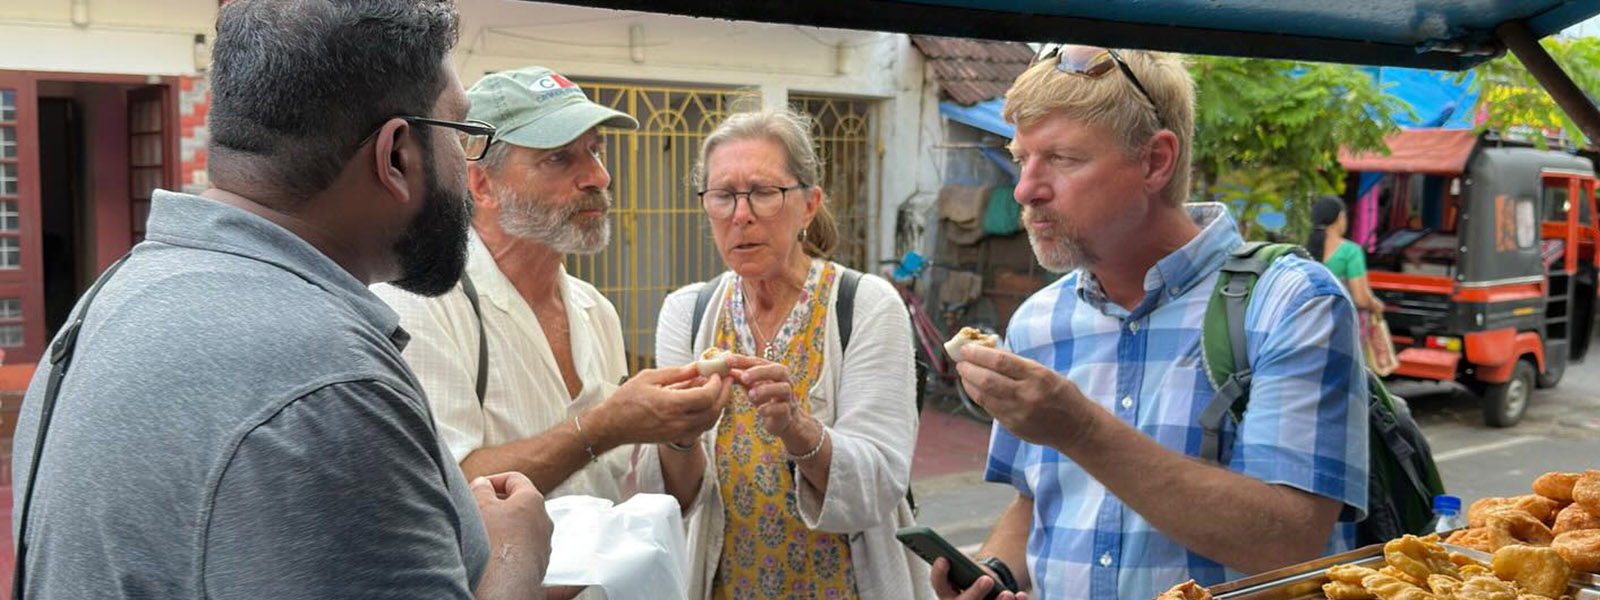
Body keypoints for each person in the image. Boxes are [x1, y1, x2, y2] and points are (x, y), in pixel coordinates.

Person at [10, 1, 552, 598]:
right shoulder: (328, 385)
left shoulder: (110, 300)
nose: (465, 166)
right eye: (463, 132)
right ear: (396, 155)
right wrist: (511, 552)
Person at [932, 46, 1370, 600]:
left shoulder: (1290, 302)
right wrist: (996, 573)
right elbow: (1038, 502)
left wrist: (1082, 430)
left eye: (1062, 158)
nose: (1025, 189)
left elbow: (1295, 539)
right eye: (1022, 159)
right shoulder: (1038, 321)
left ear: (1155, 162)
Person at [372, 66, 730, 600]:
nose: (598, 177)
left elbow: (654, 501)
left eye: (596, 150)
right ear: (482, 183)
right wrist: (604, 425)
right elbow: (452, 491)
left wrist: (678, 433)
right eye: (560, 157)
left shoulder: (595, 311)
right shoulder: (421, 304)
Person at [634, 108, 934, 599]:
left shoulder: (865, 305)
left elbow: (879, 484)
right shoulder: (688, 312)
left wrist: (798, 428)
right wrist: (681, 434)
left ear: (809, 204)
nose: (741, 214)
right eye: (723, 195)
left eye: (765, 193)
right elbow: (667, 499)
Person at [1306, 195, 1386, 315]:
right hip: (1337, 323)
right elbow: (1361, 299)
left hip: (1307, 320)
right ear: (1340, 217)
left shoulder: (1303, 246)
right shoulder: (1350, 251)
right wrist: (1375, 305)